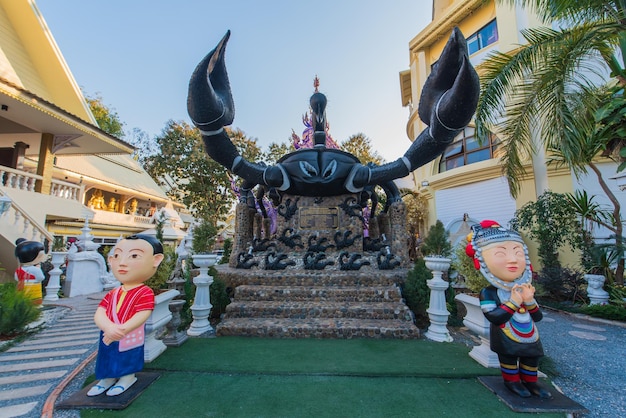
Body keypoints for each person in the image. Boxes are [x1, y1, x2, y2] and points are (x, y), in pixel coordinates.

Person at [466, 220, 552, 399]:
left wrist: (528, 301)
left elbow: (537, 317)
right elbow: (495, 317)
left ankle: (531, 382)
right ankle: (512, 382)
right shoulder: (489, 293)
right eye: (500, 254)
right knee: (509, 359)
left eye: (518, 253)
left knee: (531, 358)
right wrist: (513, 302)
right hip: (506, 334)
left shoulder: (524, 288)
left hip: (529, 333)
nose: (512, 259)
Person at [86, 234, 164, 397]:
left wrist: (122, 329)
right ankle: (107, 379)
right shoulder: (114, 292)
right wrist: (108, 327)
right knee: (106, 355)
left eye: (134, 256)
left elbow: (143, 313)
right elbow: (100, 312)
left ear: (155, 260)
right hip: (108, 332)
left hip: (128, 333)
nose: (122, 262)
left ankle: (127, 378)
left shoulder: (144, 292)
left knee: (128, 355)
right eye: (117, 255)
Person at [14, 238, 46, 305]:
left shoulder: (19, 270)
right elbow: (41, 278)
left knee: (24, 301)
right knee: (35, 303)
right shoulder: (36, 269)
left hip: (22, 288)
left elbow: (16, 278)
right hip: (34, 289)